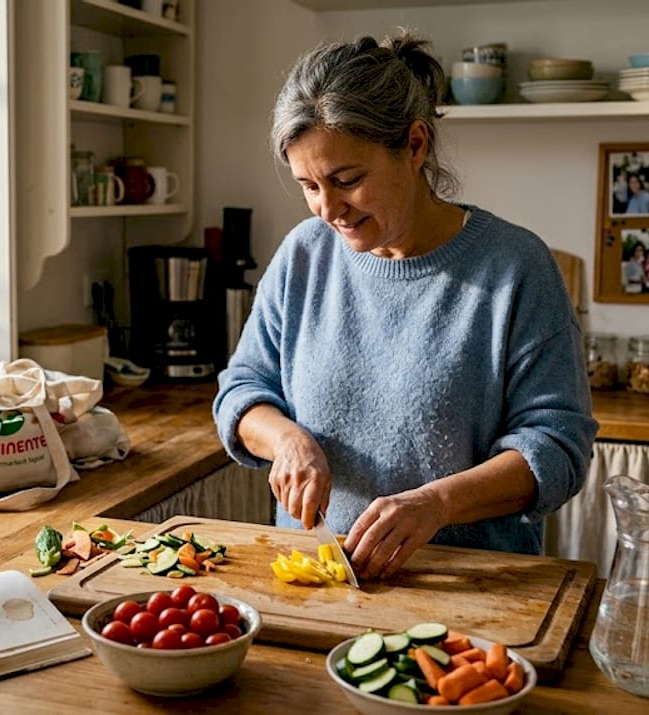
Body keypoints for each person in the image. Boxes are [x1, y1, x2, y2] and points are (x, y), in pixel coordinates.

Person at [212, 29, 597, 579]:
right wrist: (286, 439)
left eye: (347, 179)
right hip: (313, 580)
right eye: (308, 185)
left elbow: (557, 448)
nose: (328, 209)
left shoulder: (515, 267)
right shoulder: (303, 255)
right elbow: (242, 392)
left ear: (415, 145)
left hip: (468, 589)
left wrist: (436, 504)